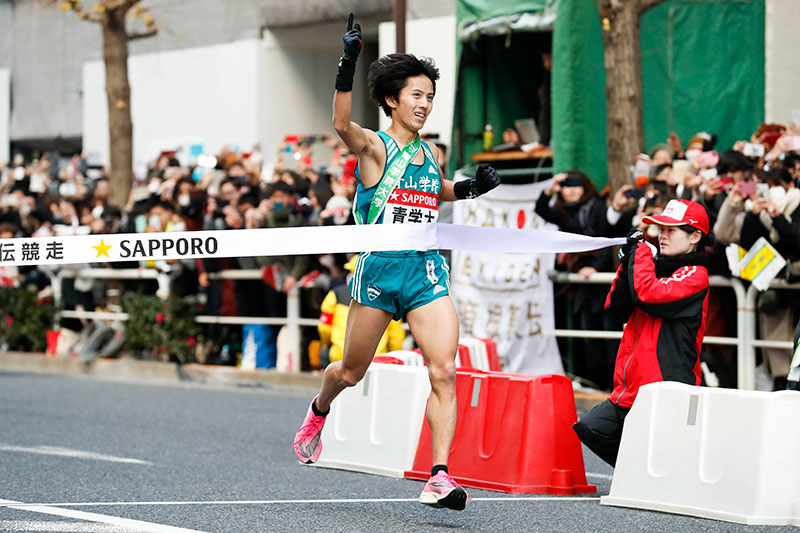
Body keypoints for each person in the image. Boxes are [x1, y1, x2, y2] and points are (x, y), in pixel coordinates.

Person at [292, 13, 500, 511]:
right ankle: (320, 409)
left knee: (445, 370)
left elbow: (437, 191)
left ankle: (440, 475)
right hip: (380, 269)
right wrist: (348, 62)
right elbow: (340, 123)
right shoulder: (373, 146)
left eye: (430, 97)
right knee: (350, 372)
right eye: (416, 96)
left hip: (425, 269)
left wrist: (470, 187)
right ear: (392, 99)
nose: (425, 105)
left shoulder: (430, 153)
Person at [573, 199, 711, 467]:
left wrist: (641, 255)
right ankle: (637, 473)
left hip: (666, 386)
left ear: (695, 237)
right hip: (629, 388)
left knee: (667, 454)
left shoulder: (696, 275)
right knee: (590, 427)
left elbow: (649, 295)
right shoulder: (649, 267)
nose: (662, 236)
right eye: (661, 229)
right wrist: (627, 265)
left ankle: (650, 476)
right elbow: (615, 310)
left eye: (672, 230)